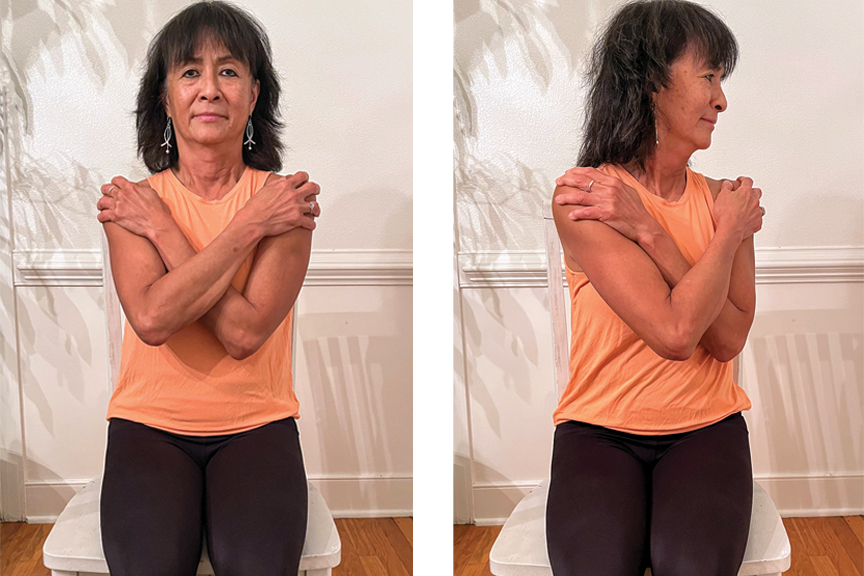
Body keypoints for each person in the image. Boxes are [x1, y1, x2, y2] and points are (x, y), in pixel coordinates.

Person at [94, 2, 320, 575]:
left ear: (254, 93)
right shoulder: (133, 203)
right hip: (147, 427)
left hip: (257, 426)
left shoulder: (286, 201)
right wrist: (247, 228)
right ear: (165, 98)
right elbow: (152, 320)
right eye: (190, 72)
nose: (210, 89)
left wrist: (169, 233)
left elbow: (243, 334)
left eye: (229, 70)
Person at [546, 1, 764, 575]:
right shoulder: (585, 197)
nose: (722, 100)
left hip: (706, 430)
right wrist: (724, 234)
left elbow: (726, 339)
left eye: (723, 80)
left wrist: (651, 228)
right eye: (709, 76)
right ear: (650, 83)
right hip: (598, 432)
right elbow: (675, 332)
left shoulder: (726, 200)